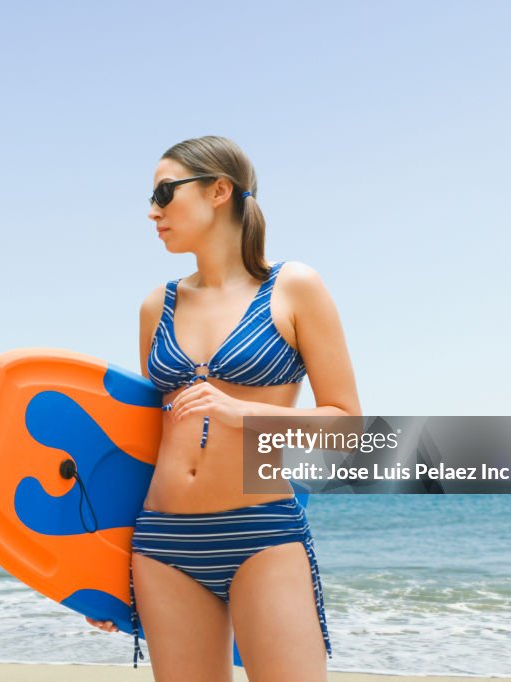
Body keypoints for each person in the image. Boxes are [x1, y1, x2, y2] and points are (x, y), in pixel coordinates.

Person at [86, 135, 361, 682]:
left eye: (165, 191)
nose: (153, 210)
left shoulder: (293, 287)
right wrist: (94, 573)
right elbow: (143, 443)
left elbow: (347, 426)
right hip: (161, 542)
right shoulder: (157, 305)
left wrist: (241, 412)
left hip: (261, 532)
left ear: (219, 191)